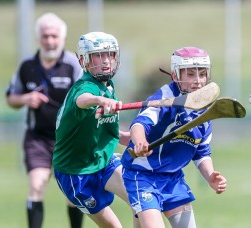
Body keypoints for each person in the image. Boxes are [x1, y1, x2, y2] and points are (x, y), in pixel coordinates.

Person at [120, 47, 227, 228]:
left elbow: (201, 152)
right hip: (143, 176)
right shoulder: (164, 97)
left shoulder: (205, 108)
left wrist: (210, 177)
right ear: (175, 75)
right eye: (191, 74)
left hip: (173, 180)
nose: (198, 81)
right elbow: (139, 124)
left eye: (202, 74)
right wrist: (140, 141)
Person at [52, 31, 140, 228]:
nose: (106, 61)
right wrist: (100, 100)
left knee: (140, 203)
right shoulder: (85, 87)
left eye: (110, 55)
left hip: (104, 160)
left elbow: (107, 129)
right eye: (98, 56)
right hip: (75, 173)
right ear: (84, 60)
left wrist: (132, 139)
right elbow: (81, 101)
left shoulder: (108, 86)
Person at [6, 13, 84, 228]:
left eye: (54, 36)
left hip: (69, 140)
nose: (50, 41)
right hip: (38, 139)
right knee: (36, 186)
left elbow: (86, 96)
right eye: (45, 36)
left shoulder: (73, 65)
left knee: (72, 193)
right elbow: (11, 98)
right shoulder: (26, 66)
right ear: (38, 38)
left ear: (63, 38)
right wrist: (25, 98)